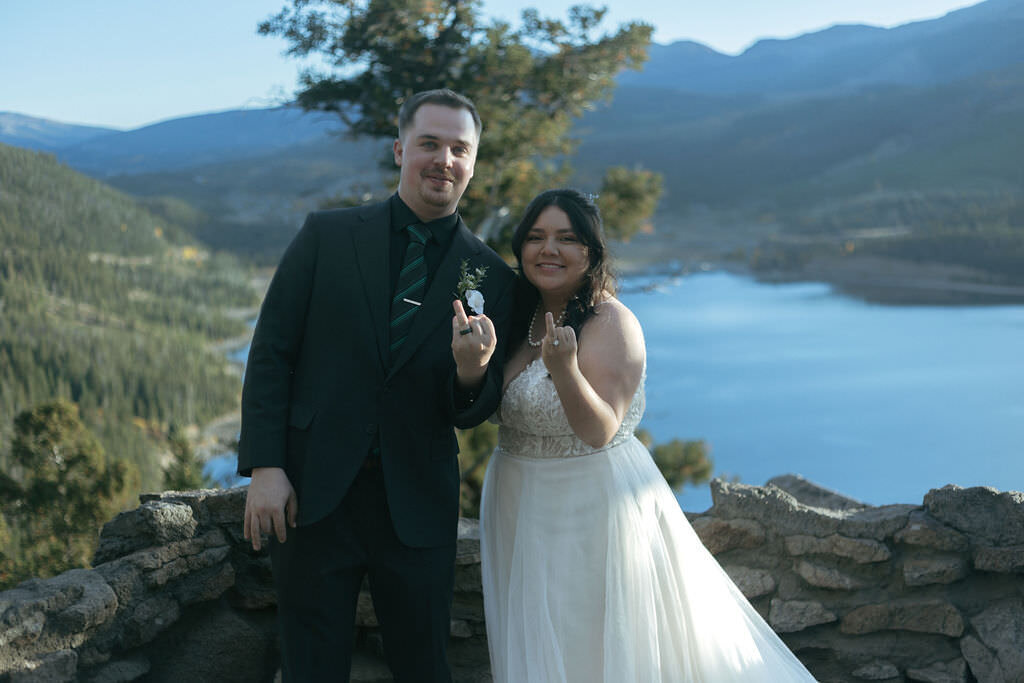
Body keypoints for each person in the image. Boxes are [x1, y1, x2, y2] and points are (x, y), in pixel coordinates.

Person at [480, 188, 818, 682]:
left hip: (591, 509)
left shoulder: (612, 322)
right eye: (536, 237)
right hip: (516, 499)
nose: (548, 249)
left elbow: (598, 431)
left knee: (592, 647)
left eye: (566, 238)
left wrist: (566, 370)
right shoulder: (513, 317)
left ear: (591, 252)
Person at [237, 89, 515, 682]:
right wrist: (266, 466)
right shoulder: (326, 236)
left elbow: (475, 409)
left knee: (423, 669)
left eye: (459, 149)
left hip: (416, 509)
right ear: (399, 150)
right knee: (311, 669)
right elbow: (271, 354)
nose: (444, 159)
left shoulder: (491, 274)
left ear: (472, 163)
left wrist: (471, 371)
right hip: (312, 498)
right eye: (430, 144)